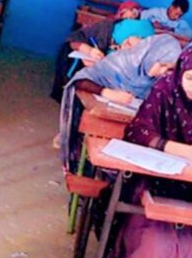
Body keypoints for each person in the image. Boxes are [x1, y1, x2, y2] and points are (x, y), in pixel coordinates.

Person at [97, 45, 192, 258]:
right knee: (157, 248)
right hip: (147, 189)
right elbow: (138, 132)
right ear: (180, 72)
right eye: (190, 78)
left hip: (188, 196)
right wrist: (179, 149)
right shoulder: (163, 91)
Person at [58, 34, 182, 170]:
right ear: (150, 55)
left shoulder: (162, 81)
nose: (163, 72)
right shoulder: (122, 62)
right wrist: (107, 92)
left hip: (129, 126)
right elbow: (80, 80)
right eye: (162, 64)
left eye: (169, 69)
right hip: (103, 120)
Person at [49, 1, 147, 102]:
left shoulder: (144, 39)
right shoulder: (106, 28)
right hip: (94, 71)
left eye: (135, 13)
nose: (131, 17)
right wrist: (89, 51)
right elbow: (74, 40)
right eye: (126, 12)